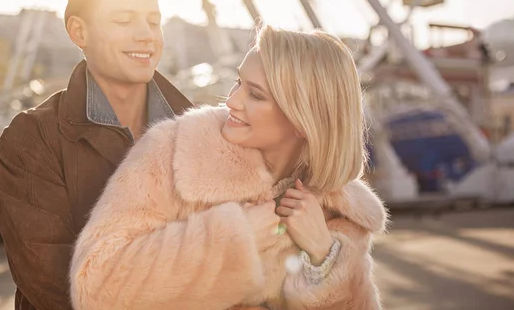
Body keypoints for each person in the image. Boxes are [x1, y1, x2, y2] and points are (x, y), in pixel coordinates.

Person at [70, 25, 387, 309]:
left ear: (303, 120)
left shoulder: (340, 210)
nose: (232, 101)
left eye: (256, 95)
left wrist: (323, 258)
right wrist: (238, 237)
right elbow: (96, 286)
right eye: (239, 82)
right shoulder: (174, 153)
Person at [0, 0, 192, 310]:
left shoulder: (203, 133)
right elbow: (59, 287)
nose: (146, 34)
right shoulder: (31, 141)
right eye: (123, 21)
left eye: (154, 21)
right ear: (78, 32)